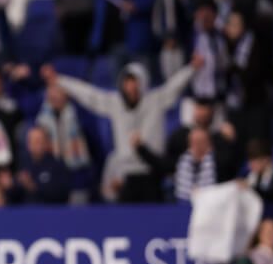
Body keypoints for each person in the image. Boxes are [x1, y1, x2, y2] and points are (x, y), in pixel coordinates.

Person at [46, 56, 202, 202]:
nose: (131, 88)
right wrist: (60, 81)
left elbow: (174, 86)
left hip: (152, 172)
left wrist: (192, 68)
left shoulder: (156, 100)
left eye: (135, 83)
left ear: (143, 84)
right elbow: (89, 95)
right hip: (127, 176)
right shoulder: (115, 104)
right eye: (128, 83)